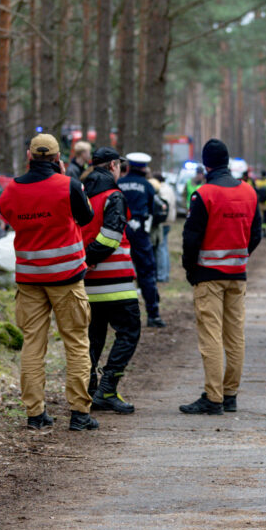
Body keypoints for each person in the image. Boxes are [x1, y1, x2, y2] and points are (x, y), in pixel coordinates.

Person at [0, 133, 99, 432]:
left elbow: (10, 218)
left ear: (29, 155)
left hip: (29, 279)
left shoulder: (10, 190)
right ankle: (80, 413)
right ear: (58, 159)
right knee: (77, 343)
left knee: (32, 344)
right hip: (67, 278)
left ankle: (35, 414)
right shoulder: (68, 185)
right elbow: (86, 216)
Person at [180, 139, 261, 415]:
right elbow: (257, 234)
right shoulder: (250, 193)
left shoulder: (204, 194)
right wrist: (240, 256)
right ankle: (230, 395)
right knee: (235, 335)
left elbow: (191, 238)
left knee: (211, 336)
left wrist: (190, 268)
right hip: (237, 275)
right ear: (227, 162)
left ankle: (213, 398)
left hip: (209, 276)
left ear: (206, 164)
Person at [81, 147, 141, 415]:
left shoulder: (81, 193)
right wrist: (90, 258)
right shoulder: (114, 195)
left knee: (93, 338)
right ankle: (107, 388)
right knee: (129, 333)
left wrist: (82, 263)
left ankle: (90, 390)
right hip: (116, 284)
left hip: (87, 283)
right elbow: (110, 237)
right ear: (114, 166)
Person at [118, 152, 166, 327]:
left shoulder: (119, 184)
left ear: (128, 166)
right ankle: (153, 314)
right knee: (146, 273)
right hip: (140, 234)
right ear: (144, 168)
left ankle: (121, 317)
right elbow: (154, 210)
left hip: (120, 234)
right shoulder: (147, 186)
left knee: (120, 274)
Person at [154, 173, 177, 282]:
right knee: (164, 247)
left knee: (161, 248)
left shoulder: (162, 189)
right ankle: (165, 273)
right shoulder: (168, 187)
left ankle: (162, 275)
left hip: (163, 222)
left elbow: (163, 206)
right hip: (168, 221)